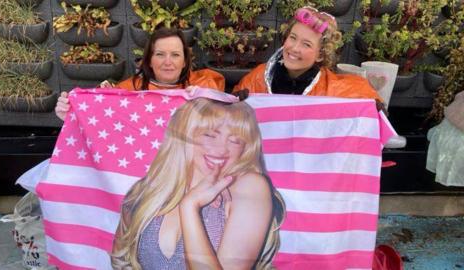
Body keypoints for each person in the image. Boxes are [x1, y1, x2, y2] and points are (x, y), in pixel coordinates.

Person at [111, 98, 285, 269]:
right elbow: (121, 261)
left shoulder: (249, 187)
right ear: (183, 136)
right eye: (209, 135)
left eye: (235, 140)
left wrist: (190, 206)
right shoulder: (146, 191)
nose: (222, 149)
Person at [55, 27, 225, 121]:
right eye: (160, 54)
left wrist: (204, 98)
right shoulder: (128, 90)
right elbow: (99, 124)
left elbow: (224, 121)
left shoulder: (203, 83)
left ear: (185, 61)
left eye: (175, 54)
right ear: (149, 60)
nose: (168, 61)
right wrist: (70, 115)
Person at [234, 6, 383, 104]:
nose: (294, 48)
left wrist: (374, 105)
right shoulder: (258, 77)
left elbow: (359, 90)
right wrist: (237, 103)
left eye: (306, 44)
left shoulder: (331, 87)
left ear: (320, 55)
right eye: (292, 38)